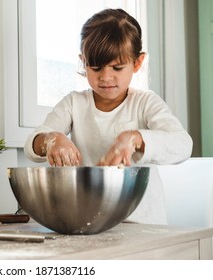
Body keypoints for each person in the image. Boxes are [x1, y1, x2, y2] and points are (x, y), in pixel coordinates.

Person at [24, 8, 193, 225]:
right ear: (83, 62)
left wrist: (135, 139)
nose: (105, 77)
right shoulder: (74, 103)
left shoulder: (145, 103)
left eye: (117, 67)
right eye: (95, 67)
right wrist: (51, 139)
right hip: (89, 220)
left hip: (142, 224)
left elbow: (183, 144)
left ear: (137, 63)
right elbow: (33, 143)